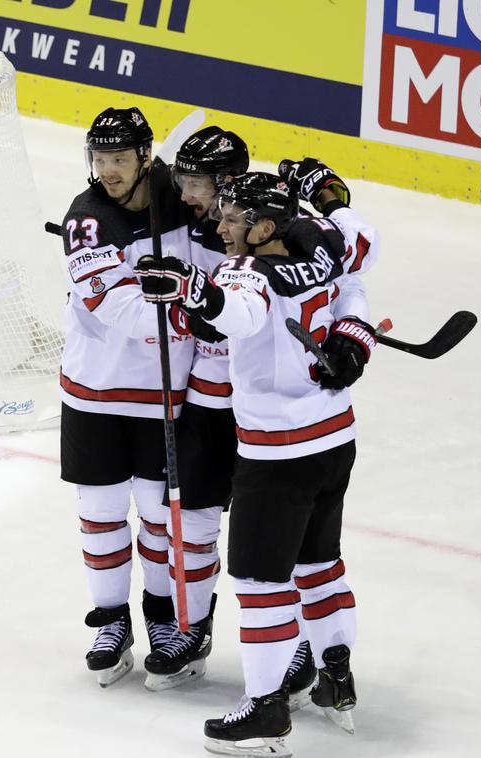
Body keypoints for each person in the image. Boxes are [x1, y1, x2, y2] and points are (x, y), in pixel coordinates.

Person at [135, 173, 369, 755]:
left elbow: (235, 311)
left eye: (234, 219)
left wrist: (196, 292)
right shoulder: (320, 244)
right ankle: (337, 679)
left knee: (261, 583)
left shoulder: (247, 272)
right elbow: (358, 254)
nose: (220, 226)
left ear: (265, 228)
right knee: (319, 567)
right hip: (334, 437)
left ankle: (265, 710)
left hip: (278, 453)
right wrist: (353, 336)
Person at [57, 106, 206, 689]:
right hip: (95, 389)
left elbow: (235, 230)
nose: (107, 170)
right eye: (99, 158)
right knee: (99, 516)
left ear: (146, 156)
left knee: (157, 517)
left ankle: (163, 619)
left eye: (119, 158)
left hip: (163, 395)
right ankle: (112, 621)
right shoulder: (87, 219)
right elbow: (111, 305)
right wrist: (187, 314)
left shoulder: (181, 196)